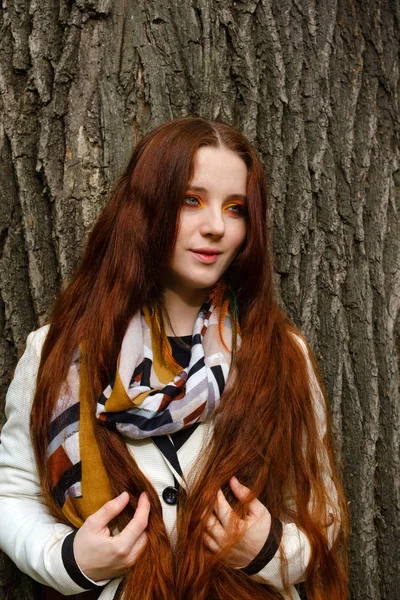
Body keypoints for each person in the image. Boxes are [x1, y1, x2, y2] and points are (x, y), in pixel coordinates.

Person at [0, 116, 348, 600]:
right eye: (192, 201)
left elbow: (322, 512)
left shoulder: (280, 355)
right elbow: (12, 491)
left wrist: (269, 552)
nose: (215, 227)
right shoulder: (59, 352)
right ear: (146, 206)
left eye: (235, 208)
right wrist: (70, 559)